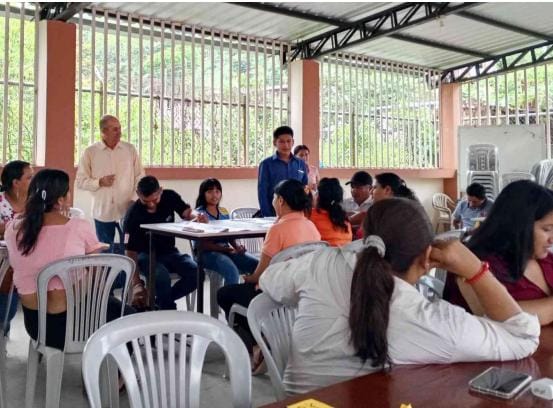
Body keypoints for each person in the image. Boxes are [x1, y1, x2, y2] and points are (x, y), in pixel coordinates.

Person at [260, 198, 539, 394]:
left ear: (365, 236)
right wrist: (475, 269)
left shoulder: (320, 263)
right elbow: (523, 337)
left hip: (297, 401)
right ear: (428, 257)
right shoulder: (424, 319)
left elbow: (268, 279)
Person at [4, 169, 134, 350]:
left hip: (36, 327)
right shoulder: (78, 227)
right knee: (129, 317)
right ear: (60, 200)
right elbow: (96, 280)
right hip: (78, 326)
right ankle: (116, 366)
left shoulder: (12, 229)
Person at [217, 179, 320, 365]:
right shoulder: (311, 226)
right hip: (302, 292)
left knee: (225, 294)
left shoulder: (277, 229)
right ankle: (264, 340)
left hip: (274, 294)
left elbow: (261, 274)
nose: (272, 201)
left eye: (274, 197)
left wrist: (249, 278)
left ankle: (257, 342)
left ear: (280, 200)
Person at [444, 180, 553, 326]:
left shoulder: (545, 259)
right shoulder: (473, 264)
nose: (552, 239)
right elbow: (504, 319)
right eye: (547, 229)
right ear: (519, 225)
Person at [124, 176, 201, 310]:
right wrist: (137, 284)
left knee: (197, 273)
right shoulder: (132, 215)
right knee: (161, 276)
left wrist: (197, 216)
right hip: (145, 255)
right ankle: (168, 309)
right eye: (146, 201)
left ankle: (160, 302)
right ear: (138, 194)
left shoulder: (170, 196)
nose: (151, 205)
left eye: (155, 199)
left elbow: (187, 212)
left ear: (160, 191)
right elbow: (130, 251)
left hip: (170, 252)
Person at [76, 114, 144, 252]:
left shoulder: (129, 150)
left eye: (119, 128)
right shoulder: (90, 152)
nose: (120, 132)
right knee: (106, 254)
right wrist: (99, 182)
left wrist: (134, 199)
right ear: (103, 131)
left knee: (129, 251)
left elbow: (140, 177)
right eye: (115, 129)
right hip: (103, 212)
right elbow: (81, 182)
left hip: (127, 211)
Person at [194, 178, 259, 285]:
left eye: (217, 191)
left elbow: (229, 236)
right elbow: (202, 245)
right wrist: (226, 249)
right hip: (205, 254)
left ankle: (249, 294)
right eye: (210, 192)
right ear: (203, 194)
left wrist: (237, 247)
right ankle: (227, 296)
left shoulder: (224, 212)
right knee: (231, 270)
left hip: (225, 250)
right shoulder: (198, 214)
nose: (214, 195)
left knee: (257, 265)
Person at [0, 160, 33, 334]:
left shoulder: (35, 202)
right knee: (6, 308)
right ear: (16, 183)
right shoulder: (1, 201)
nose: (33, 181)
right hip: (4, 262)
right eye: (29, 177)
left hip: (28, 259)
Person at [258, 126, 308, 217]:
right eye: (281, 142)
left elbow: (305, 187)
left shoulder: (300, 163)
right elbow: (262, 192)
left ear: (293, 142)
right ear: (274, 142)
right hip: (274, 213)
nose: (286, 145)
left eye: (289, 141)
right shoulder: (266, 164)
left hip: (297, 213)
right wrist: (268, 216)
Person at [309, 178, 352, 247]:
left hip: (323, 253)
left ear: (318, 197)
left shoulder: (310, 216)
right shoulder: (344, 219)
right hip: (345, 253)